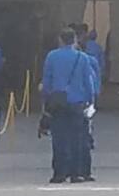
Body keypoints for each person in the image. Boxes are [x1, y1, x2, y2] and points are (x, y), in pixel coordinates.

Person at [41, 29, 98, 184]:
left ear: (60, 40)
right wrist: (90, 101)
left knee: (59, 138)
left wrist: (46, 100)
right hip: (77, 103)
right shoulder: (83, 58)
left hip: (58, 103)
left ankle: (59, 172)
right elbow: (88, 83)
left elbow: (47, 82)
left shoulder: (52, 57)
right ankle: (76, 173)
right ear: (74, 40)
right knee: (78, 138)